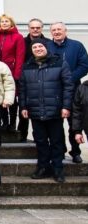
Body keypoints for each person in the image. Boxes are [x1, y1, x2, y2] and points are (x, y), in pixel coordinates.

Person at [20, 40, 73, 182]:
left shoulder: (59, 63)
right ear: (32, 50)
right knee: (40, 141)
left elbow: (68, 86)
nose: (38, 49)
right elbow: (23, 89)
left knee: (56, 141)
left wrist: (66, 106)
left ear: (46, 48)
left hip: (55, 110)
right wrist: (23, 106)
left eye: (40, 46)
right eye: (35, 47)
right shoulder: (27, 66)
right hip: (35, 110)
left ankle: (57, 169)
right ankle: (43, 167)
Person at [47, 22, 88, 163]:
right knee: (56, 124)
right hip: (53, 90)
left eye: (59, 29)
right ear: (50, 32)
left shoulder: (76, 46)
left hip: (73, 90)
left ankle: (75, 151)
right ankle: (59, 151)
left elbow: (84, 66)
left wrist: (69, 78)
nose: (57, 32)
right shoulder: (47, 46)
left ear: (66, 31)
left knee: (74, 122)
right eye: (54, 30)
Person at [0, 14, 26, 132]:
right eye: (2, 21)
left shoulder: (18, 37)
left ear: (11, 23)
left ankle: (12, 123)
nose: (4, 23)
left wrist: (17, 74)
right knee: (0, 97)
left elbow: (20, 56)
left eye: (7, 21)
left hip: (11, 72)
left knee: (12, 98)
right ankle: (5, 122)